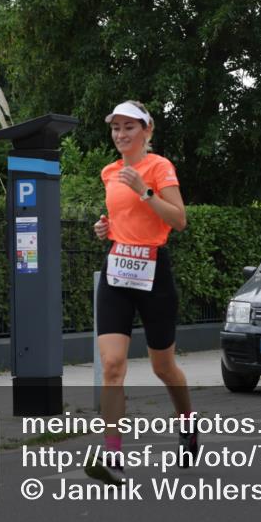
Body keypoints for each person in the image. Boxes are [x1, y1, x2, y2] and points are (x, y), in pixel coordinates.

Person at [85, 100, 197, 485]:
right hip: (118, 271)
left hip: (153, 273)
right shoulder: (108, 172)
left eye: (128, 127)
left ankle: (187, 423)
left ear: (146, 130)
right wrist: (106, 229)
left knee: (163, 367)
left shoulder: (159, 167)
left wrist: (147, 192)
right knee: (113, 366)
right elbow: (120, 219)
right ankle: (113, 456)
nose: (120, 135)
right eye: (115, 128)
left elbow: (179, 220)